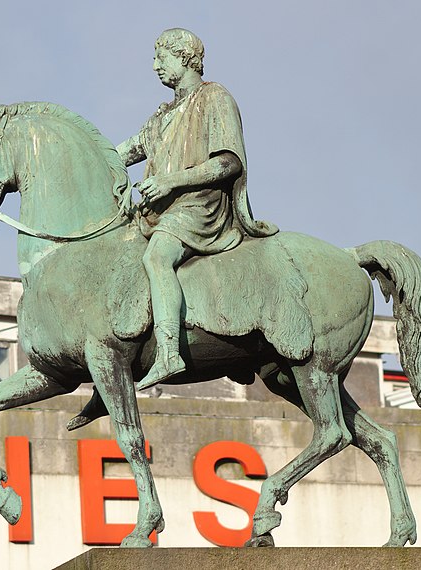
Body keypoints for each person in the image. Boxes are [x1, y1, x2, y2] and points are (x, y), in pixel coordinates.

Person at [67, 28, 277, 430]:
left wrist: (169, 182)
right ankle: (110, 372)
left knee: (156, 256)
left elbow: (228, 163)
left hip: (200, 205)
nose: (155, 65)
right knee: (116, 263)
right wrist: (83, 160)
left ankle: (168, 351)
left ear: (185, 57)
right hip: (162, 210)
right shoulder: (163, 115)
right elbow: (123, 151)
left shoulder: (215, 98)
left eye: (161, 57)